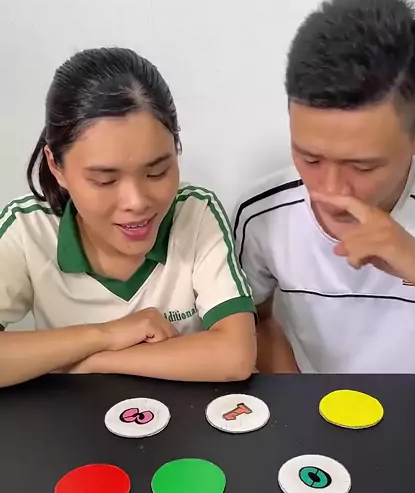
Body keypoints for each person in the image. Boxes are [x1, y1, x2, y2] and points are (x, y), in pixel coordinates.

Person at [234, 0, 415, 374]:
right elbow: (254, 320)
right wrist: (301, 396)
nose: (331, 190)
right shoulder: (260, 214)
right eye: (310, 158)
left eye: (362, 167)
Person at [0, 47, 256, 388]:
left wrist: (89, 362)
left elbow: (234, 356)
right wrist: (106, 334)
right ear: (56, 166)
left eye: (157, 172)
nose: (136, 202)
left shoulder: (195, 214)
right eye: (104, 180)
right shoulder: (27, 229)